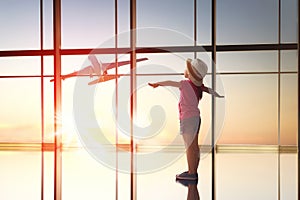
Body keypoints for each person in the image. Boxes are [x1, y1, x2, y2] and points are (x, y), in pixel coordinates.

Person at [148, 58, 224, 181]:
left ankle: (191, 173)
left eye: (187, 69)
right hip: (196, 119)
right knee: (195, 146)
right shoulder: (199, 87)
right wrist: (218, 95)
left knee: (189, 146)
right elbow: (209, 90)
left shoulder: (185, 84)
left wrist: (157, 84)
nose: (185, 70)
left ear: (189, 73)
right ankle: (193, 170)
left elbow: (170, 82)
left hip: (187, 119)